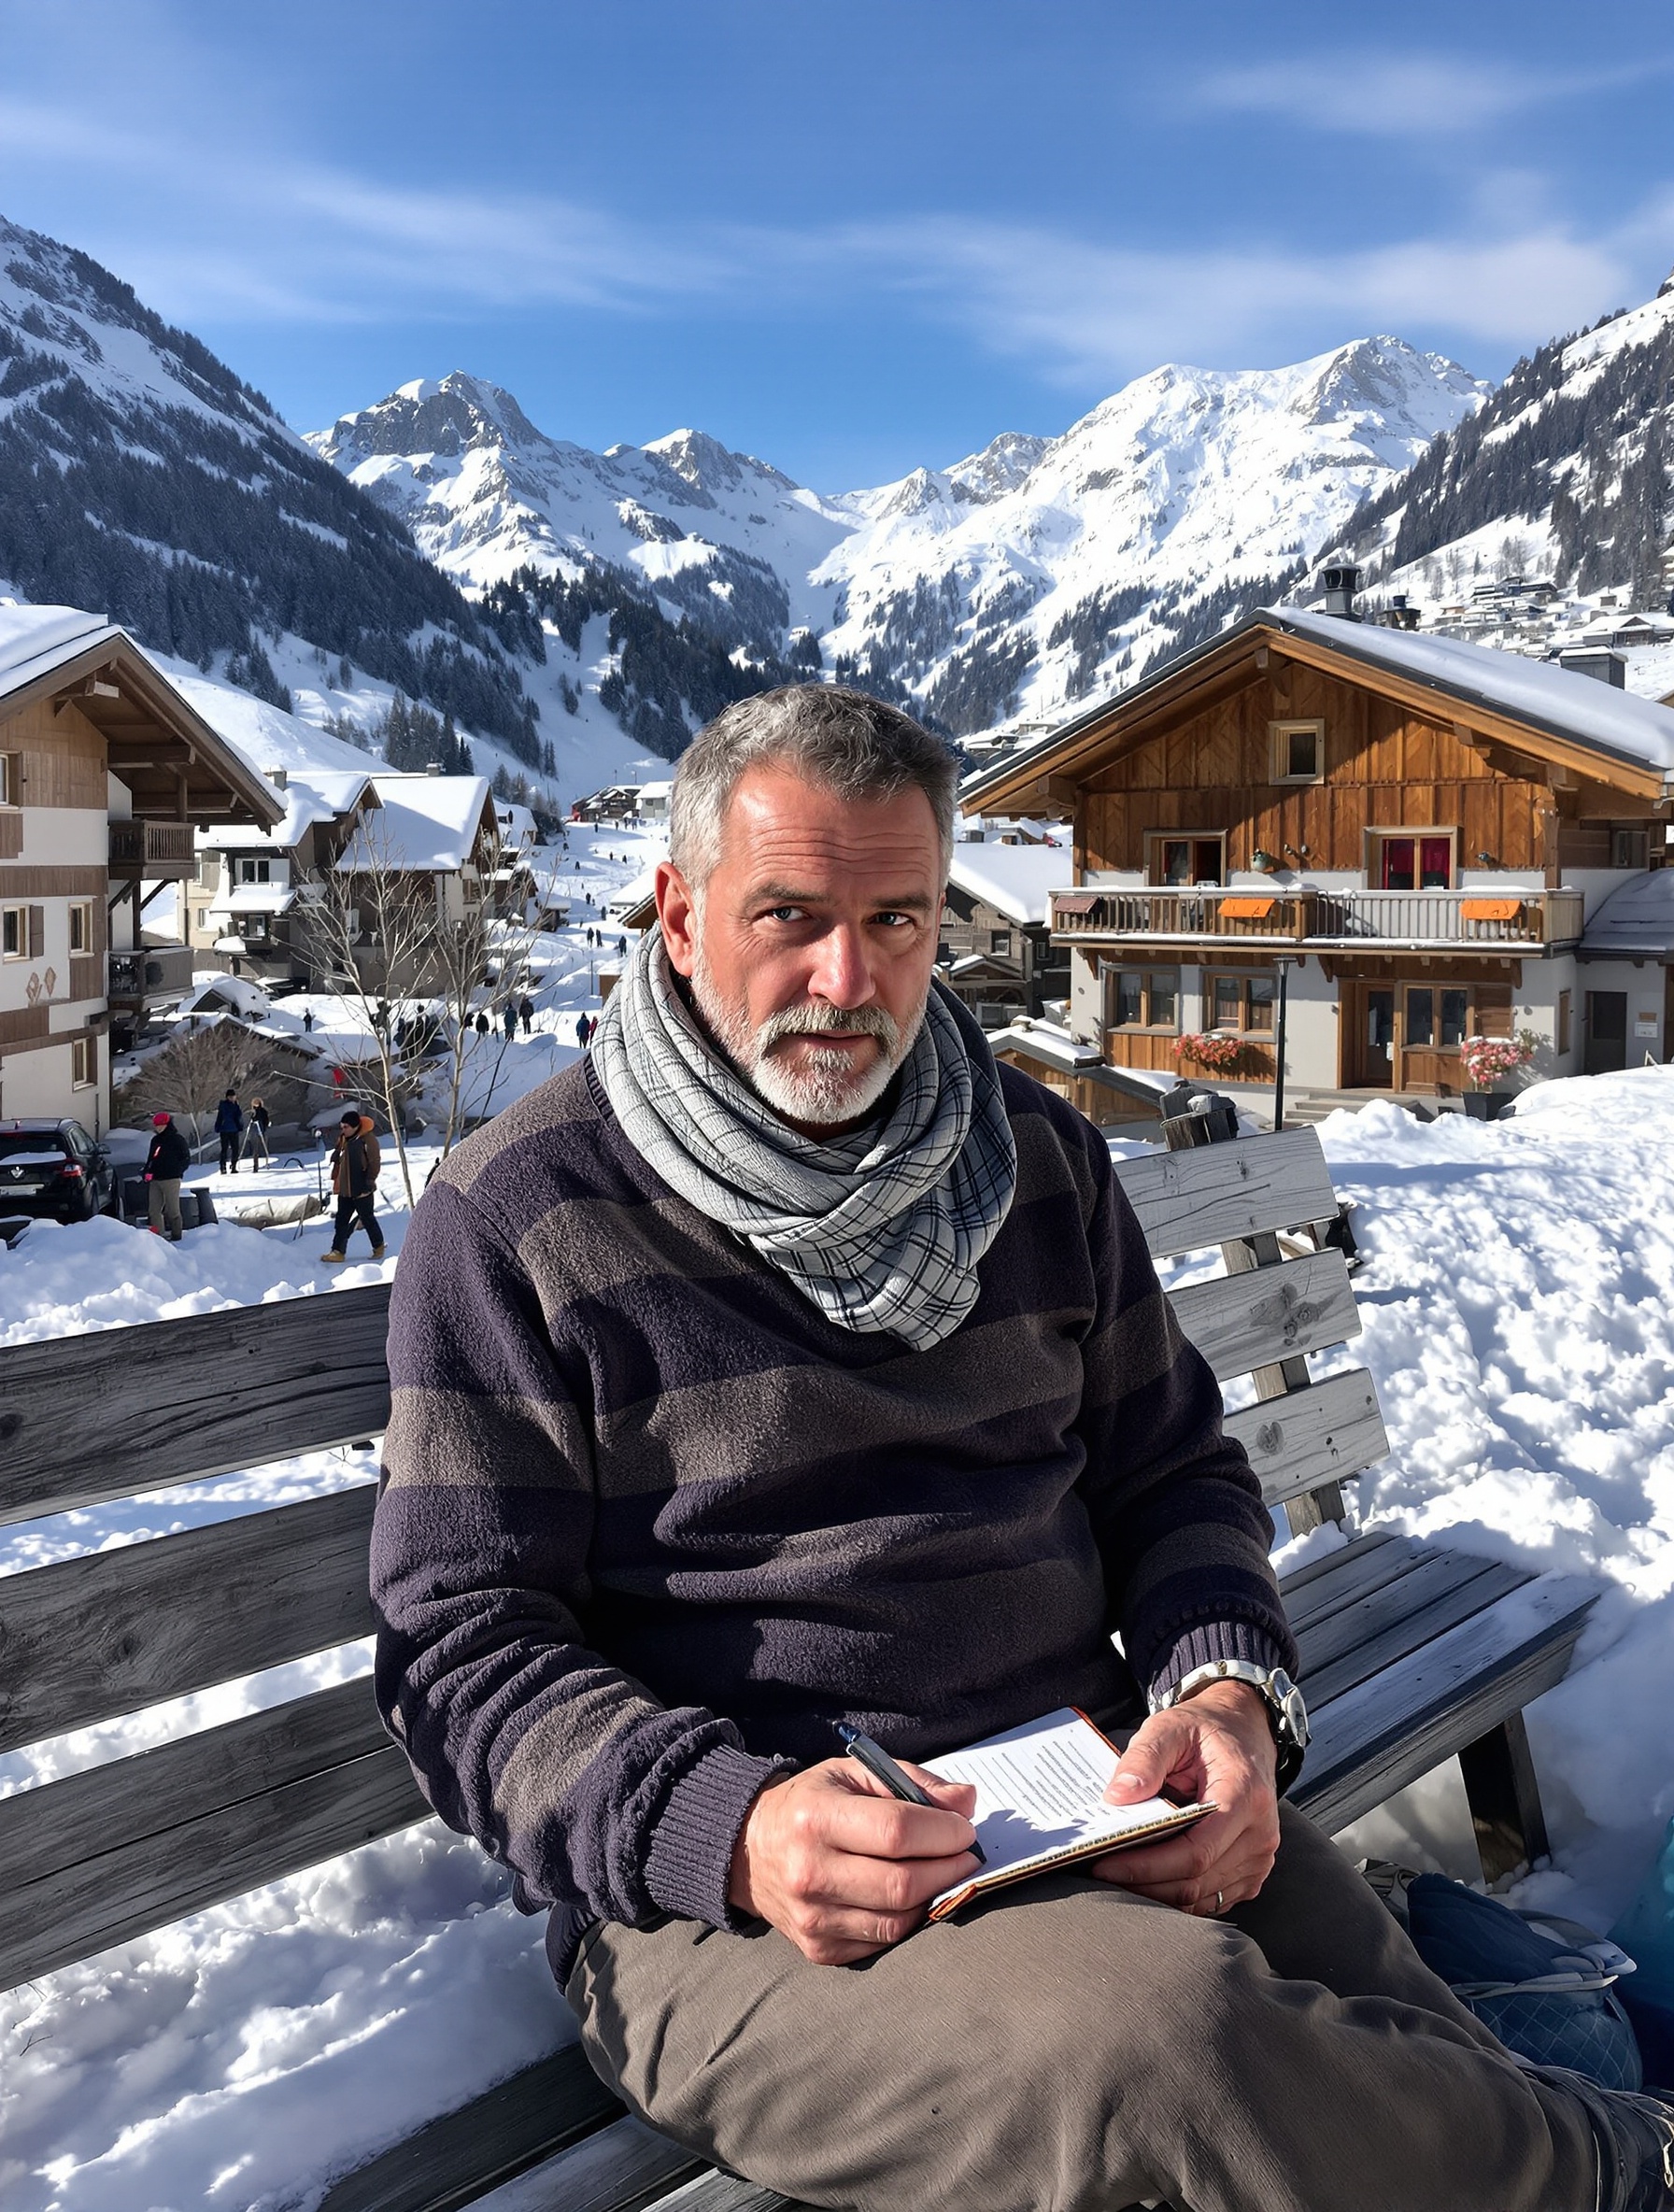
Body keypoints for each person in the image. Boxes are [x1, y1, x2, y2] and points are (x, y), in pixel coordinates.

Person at [372, 687, 1674, 2212]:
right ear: (677, 909)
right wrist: (735, 1826)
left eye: (897, 921)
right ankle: (1629, 2168)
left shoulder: (1029, 1157)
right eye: (789, 916)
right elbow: (460, 1647)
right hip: (733, 1908)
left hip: (1084, 1796)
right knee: (1173, 2039)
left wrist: (1222, 1692)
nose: (846, 979)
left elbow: (1172, 1473)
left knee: (1394, 2033)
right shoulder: (521, 1215)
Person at [321, 1110, 385, 1263]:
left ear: (355, 1126)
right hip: (345, 1189)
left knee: (367, 1219)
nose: (343, 1130)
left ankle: (378, 1246)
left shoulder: (367, 1139)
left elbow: (374, 1162)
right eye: (341, 1127)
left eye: (346, 1127)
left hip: (362, 1188)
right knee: (341, 1221)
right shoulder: (344, 1139)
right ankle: (337, 1251)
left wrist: (369, 1181)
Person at [143, 1109, 191, 1241]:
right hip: (156, 1179)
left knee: (173, 1210)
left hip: (171, 1179)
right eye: (156, 1125)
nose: (157, 1128)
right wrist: (147, 1171)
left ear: (167, 1124)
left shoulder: (177, 1139)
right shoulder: (156, 1140)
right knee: (154, 1210)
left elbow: (186, 1158)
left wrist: (178, 1171)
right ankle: (158, 1235)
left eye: (160, 1125)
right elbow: (151, 1158)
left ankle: (177, 1235)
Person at [214, 1088, 243, 1175]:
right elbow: (224, 1116)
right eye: (231, 1097)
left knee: (233, 1149)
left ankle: (232, 1166)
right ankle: (225, 1167)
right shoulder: (226, 1105)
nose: (233, 1098)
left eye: (233, 1096)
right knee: (226, 1149)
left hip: (232, 1129)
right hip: (227, 1129)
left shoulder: (234, 1105)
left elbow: (238, 1116)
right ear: (227, 1097)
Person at [242, 1096, 272, 1172]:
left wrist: (264, 1128)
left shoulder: (262, 1111)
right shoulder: (253, 1112)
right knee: (255, 1149)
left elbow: (266, 1120)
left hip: (261, 1131)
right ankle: (256, 1165)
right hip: (255, 1132)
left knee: (262, 1148)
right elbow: (251, 1121)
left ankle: (264, 1163)